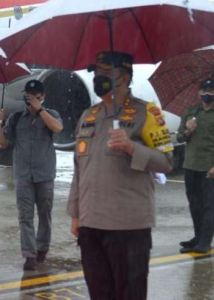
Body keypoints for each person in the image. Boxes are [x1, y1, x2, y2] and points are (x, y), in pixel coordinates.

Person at [67, 51, 174, 300]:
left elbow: (167, 162)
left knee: (129, 295)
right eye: (96, 73)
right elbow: (79, 170)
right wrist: (75, 214)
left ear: (124, 76)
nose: (98, 78)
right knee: (99, 293)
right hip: (91, 224)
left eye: (106, 73)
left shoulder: (146, 113)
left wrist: (132, 147)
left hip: (128, 226)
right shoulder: (88, 116)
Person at [0, 79, 63, 270]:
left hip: (45, 174)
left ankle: (42, 249)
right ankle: (29, 255)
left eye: (35, 96)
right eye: (28, 96)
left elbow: (58, 128)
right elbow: (2, 143)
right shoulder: (16, 118)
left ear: (43, 97)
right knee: (25, 216)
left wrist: (40, 109)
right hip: (23, 175)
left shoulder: (51, 115)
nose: (31, 99)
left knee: (44, 214)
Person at [176, 78, 214, 254]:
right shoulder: (190, 112)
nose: (207, 94)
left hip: (211, 167)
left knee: (209, 205)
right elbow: (179, 138)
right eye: (203, 90)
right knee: (194, 204)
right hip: (191, 165)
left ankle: (205, 241)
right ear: (198, 92)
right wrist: (188, 130)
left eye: (211, 90)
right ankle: (198, 236)